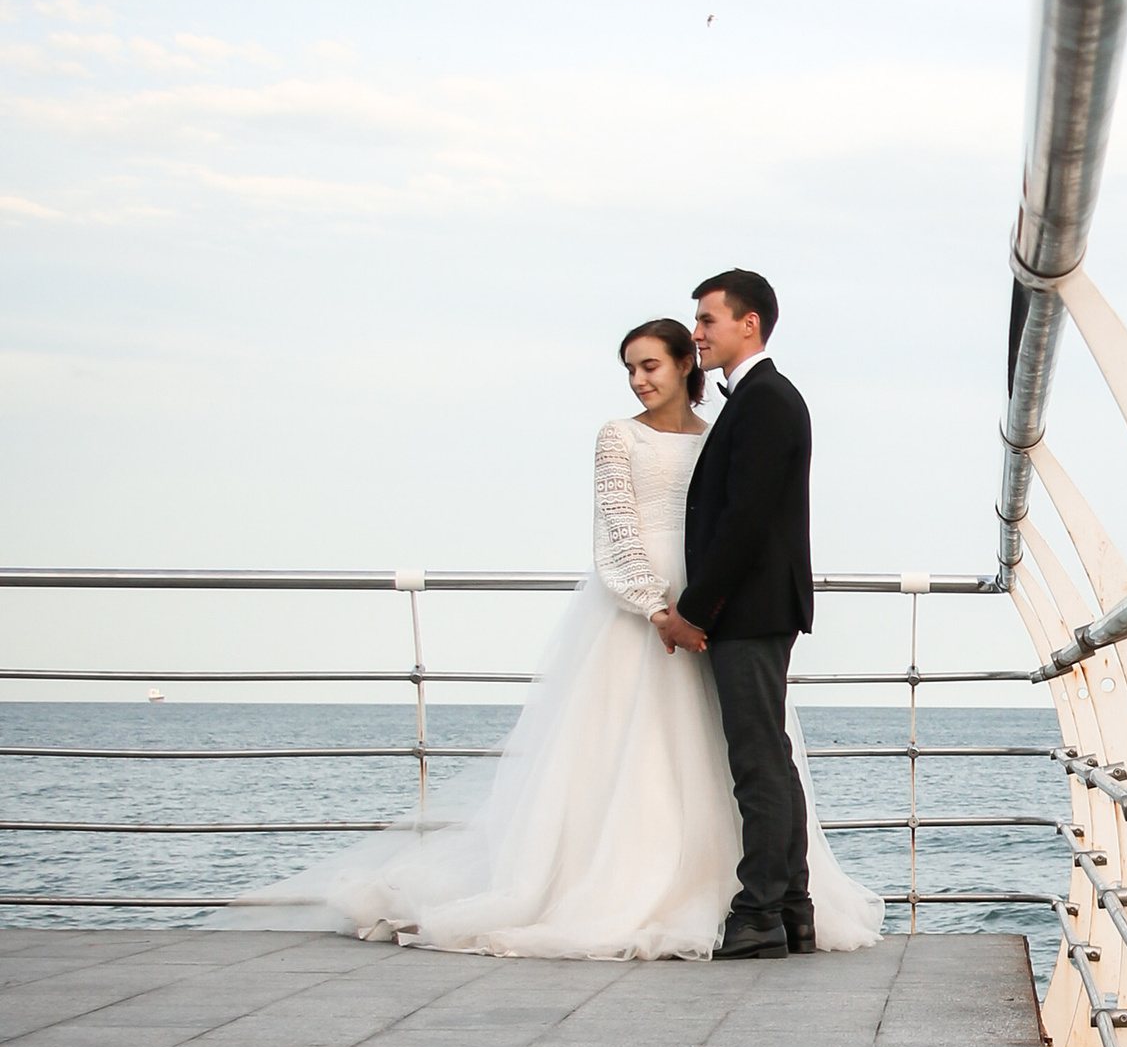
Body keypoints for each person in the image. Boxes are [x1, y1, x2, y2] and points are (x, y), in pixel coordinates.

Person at [240, 308, 881, 961]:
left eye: (650, 365)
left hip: (713, 609)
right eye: (629, 368)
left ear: (686, 363)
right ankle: (636, 883)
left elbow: (738, 516)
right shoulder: (616, 437)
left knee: (733, 755)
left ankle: (749, 893)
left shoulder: (721, 432)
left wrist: (702, 609)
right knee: (635, 754)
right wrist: (658, 609)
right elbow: (617, 532)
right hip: (653, 615)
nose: (637, 380)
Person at [667, 269, 822, 961]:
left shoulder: (765, 400)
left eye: (707, 320)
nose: (696, 333)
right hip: (760, 605)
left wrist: (693, 611)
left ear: (748, 324)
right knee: (771, 760)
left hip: (751, 608)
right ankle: (791, 908)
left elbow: (745, 521)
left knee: (756, 764)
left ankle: (759, 910)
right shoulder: (761, 398)